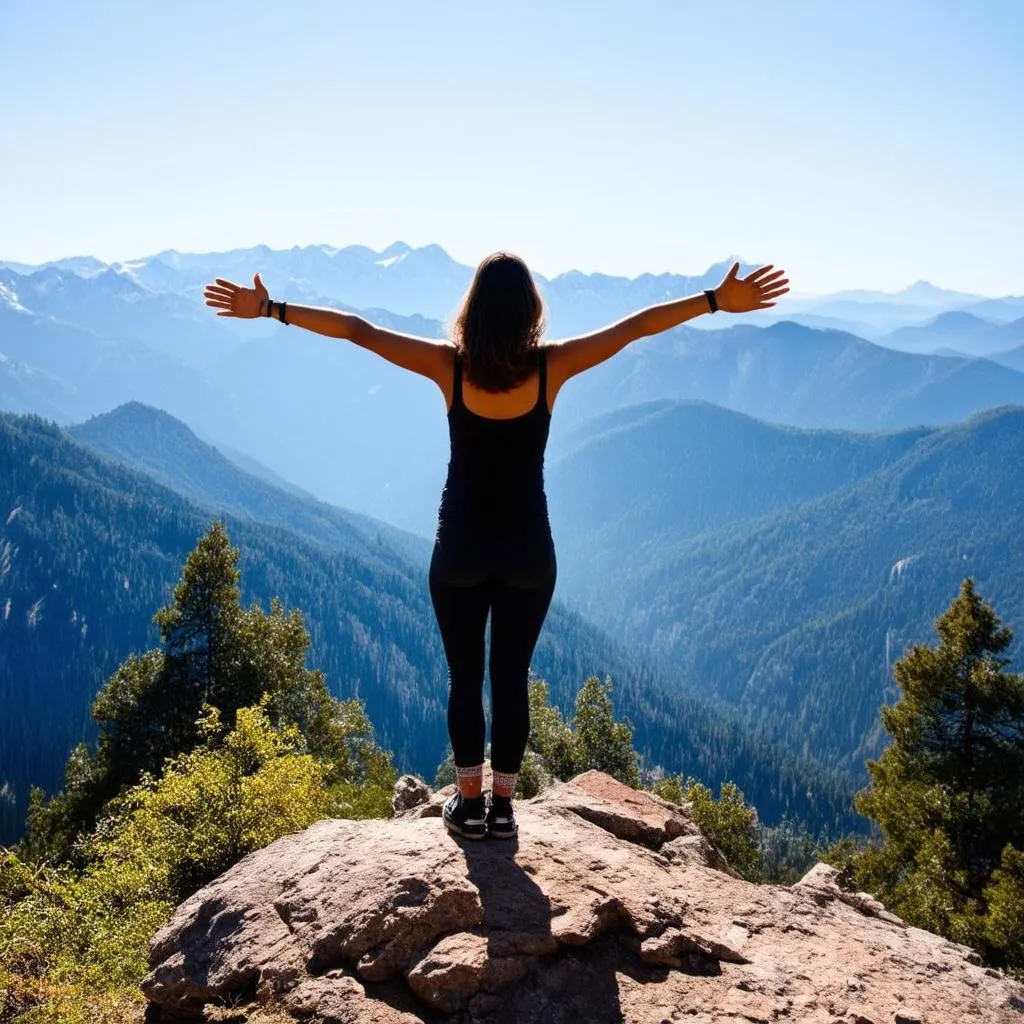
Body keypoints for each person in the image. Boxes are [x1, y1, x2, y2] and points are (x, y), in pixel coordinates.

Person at [203, 253, 789, 840]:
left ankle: (468, 803)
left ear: (472, 309)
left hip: (458, 550)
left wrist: (272, 309)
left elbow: (359, 330)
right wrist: (712, 300)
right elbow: (634, 328)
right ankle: (504, 809)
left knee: (464, 676)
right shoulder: (550, 368)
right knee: (511, 677)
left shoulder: (449, 368)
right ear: (532, 311)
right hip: (529, 553)